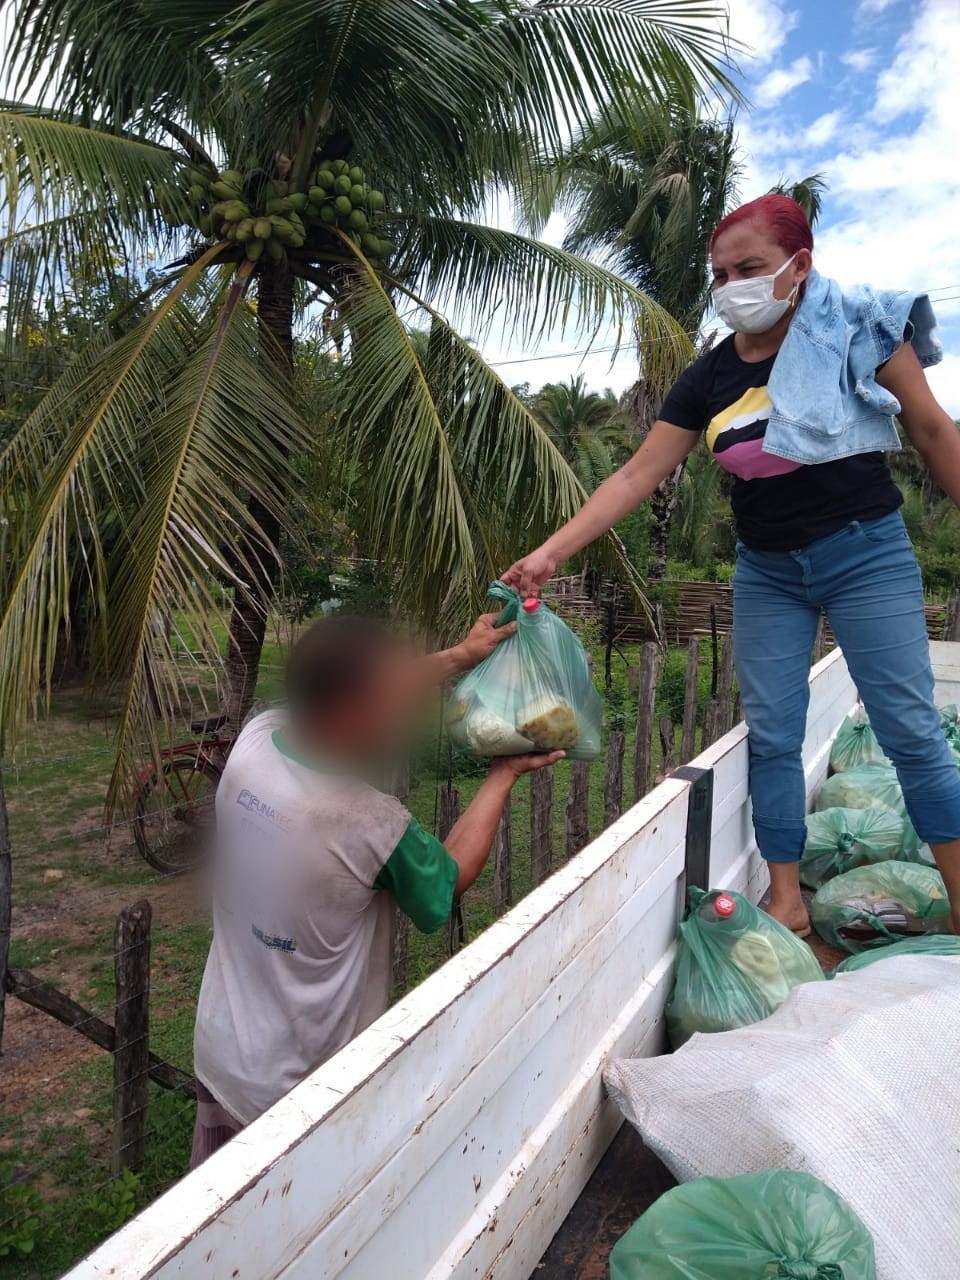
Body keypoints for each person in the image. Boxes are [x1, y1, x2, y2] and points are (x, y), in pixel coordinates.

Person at [505, 194, 960, 938]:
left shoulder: (862, 333)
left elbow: (935, 431)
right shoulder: (708, 377)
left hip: (864, 553)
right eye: (720, 274)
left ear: (799, 265)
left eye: (749, 268)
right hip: (768, 569)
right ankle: (786, 899)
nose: (731, 287)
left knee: (908, 731)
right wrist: (550, 552)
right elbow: (637, 473)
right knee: (774, 734)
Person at [191, 613, 562, 1166]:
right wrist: (501, 776)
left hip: (223, 1054)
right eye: (389, 696)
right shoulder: (364, 822)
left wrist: (461, 655)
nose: (403, 708)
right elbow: (448, 880)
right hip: (299, 1095)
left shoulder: (257, 741)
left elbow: (342, 691)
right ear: (350, 710)